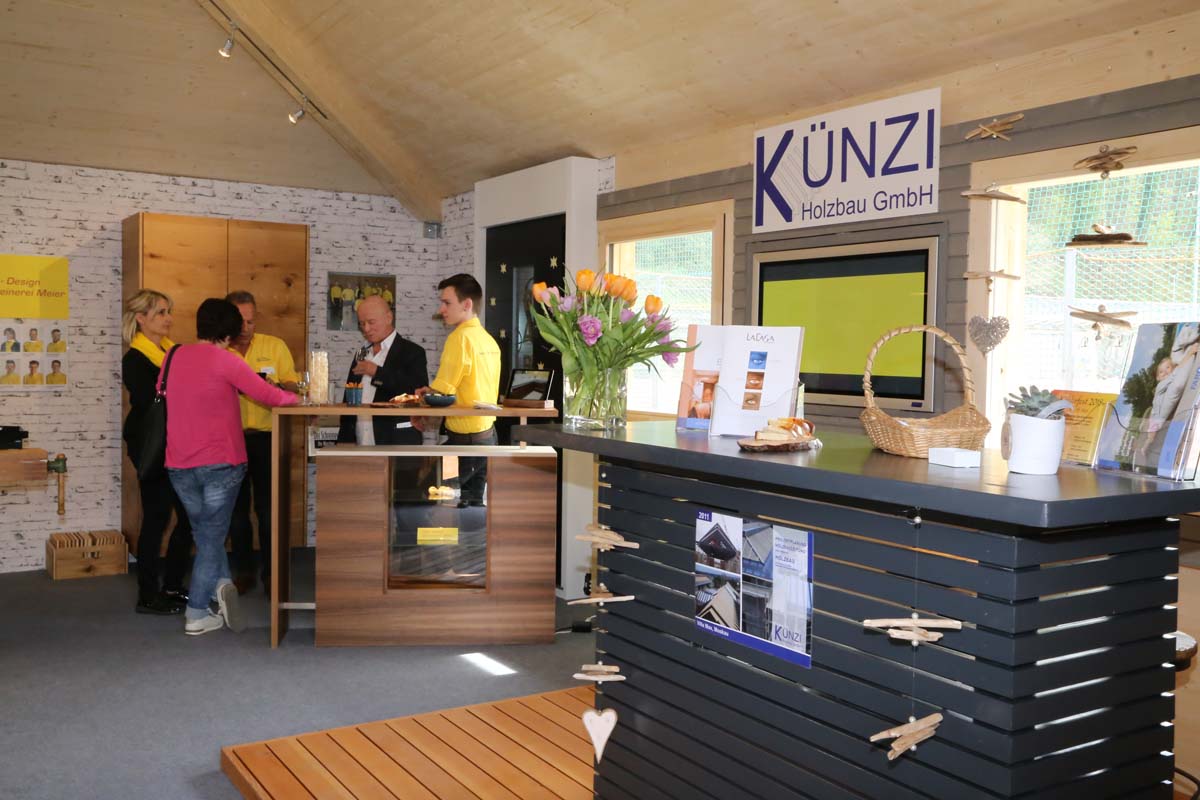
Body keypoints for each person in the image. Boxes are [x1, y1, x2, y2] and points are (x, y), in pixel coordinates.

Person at [163, 298, 298, 636]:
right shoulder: (228, 360)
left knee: (204, 532)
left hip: (179, 463)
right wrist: (302, 400)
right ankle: (196, 613)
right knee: (211, 537)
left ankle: (222, 585)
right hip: (220, 462)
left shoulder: (173, 355)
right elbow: (270, 395)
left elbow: (163, 390)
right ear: (231, 331)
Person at [122, 289, 194, 615]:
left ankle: (173, 585)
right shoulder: (135, 359)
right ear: (141, 318)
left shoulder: (172, 352)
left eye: (168, 312)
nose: (168, 319)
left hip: (177, 442)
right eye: (161, 312)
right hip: (150, 445)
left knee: (188, 516)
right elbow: (151, 400)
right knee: (156, 517)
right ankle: (148, 595)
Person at [225, 290, 298, 595]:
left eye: (251, 321)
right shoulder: (219, 352)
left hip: (268, 438)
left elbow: (293, 385)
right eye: (240, 321)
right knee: (236, 512)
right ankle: (244, 572)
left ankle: (272, 574)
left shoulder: (274, 346)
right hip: (229, 440)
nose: (246, 327)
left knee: (269, 511)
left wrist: (275, 386)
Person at [415, 274, 501, 507]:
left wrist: (422, 401)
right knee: (473, 509)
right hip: (488, 438)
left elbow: (441, 393)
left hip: (463, 444)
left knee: (426, 494)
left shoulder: (459, 339)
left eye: (447, 303)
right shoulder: (489, 341)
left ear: (467, 304)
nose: (441, 309)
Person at [337, 294, 428, 446]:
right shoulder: (361, 352)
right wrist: (345, 440)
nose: (366, 329)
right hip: (360, 442)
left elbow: (416, 394)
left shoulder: (413, 352)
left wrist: (376, 373)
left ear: (389, 318)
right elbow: (349, 397)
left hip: (398, 443)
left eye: (371, 322)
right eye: (362, 323)